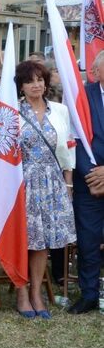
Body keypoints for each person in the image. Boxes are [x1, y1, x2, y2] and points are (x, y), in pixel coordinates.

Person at [10, 61, 76, 319]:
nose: (36, 85)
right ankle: (21, 292)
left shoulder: (60, 110)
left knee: (43, 241)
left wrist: (68, 183)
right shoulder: (12, 111)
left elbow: (68, 149)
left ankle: (37, 292)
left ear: (46, 83)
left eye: (40, 80)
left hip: (52, 182)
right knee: (22, 239)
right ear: (21, 86)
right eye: (29, 81)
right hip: (21, 182)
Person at [72, 51, 104, 314]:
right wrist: (92, 176)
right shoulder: (82, 96)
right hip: (90, 184)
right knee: (88, 240)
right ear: (96, 71)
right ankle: (89, 294)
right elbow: (76, 139)